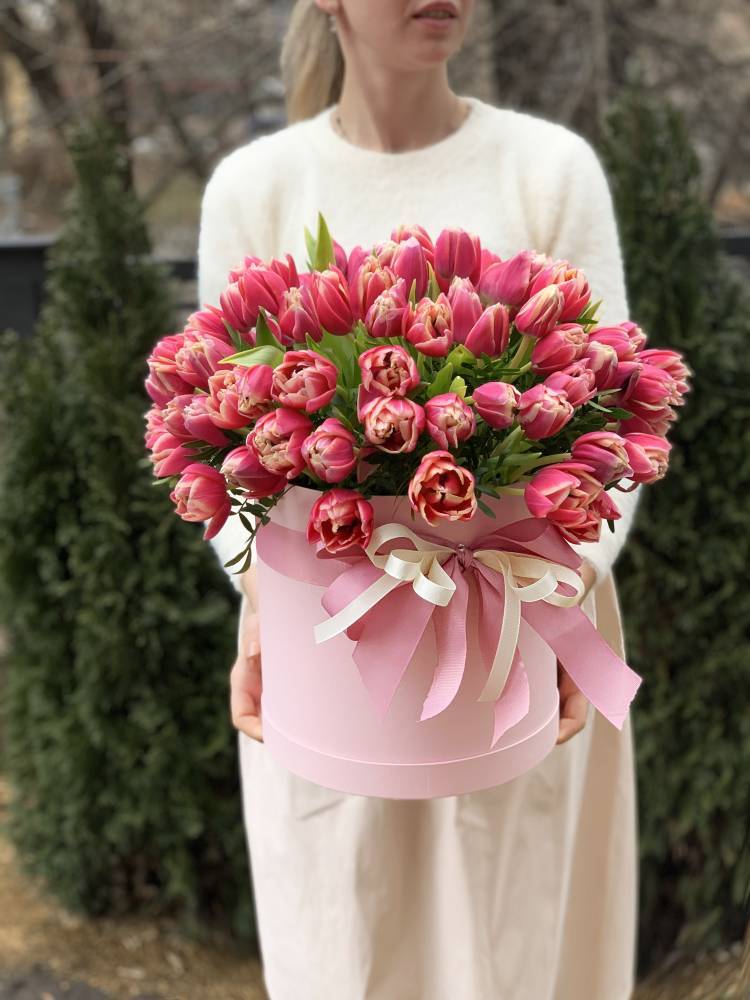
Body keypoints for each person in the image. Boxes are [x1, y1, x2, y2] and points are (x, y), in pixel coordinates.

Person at [197, 2, 644, 997]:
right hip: (331, 648)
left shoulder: (547, 170)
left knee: (517, 942)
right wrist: (256, 610)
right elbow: (231, 453)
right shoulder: (259, 189)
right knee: (346, 943)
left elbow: (614, 430)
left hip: (523, 630)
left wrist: (567, 592)